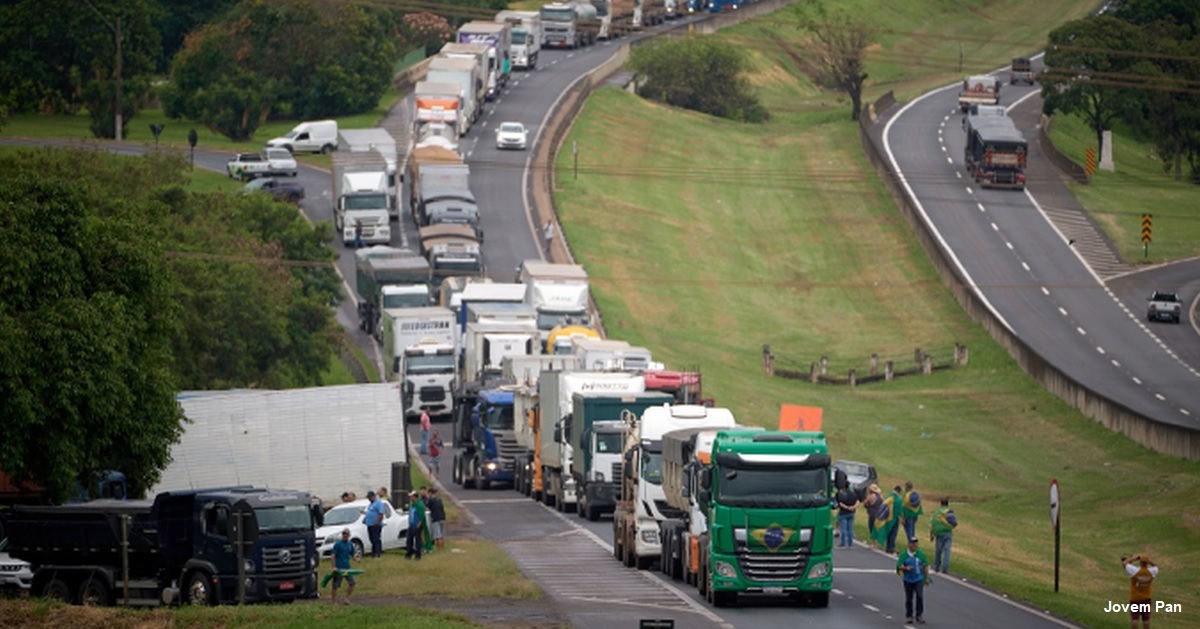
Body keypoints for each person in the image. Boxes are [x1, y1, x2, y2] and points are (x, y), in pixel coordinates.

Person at [896, 536, 931, 624]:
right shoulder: (904, 554)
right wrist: (906, 568)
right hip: (908, 579)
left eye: (915, 543)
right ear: (909, 544)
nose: (914, 545)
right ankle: (909, 615)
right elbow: (899, 565)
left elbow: (925, 566)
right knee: (909, 598)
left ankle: (919, 615)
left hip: (918, 579)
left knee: (919, 596)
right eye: (912, 543)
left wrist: (927, 578)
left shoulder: (920, 554)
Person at [1123, 555, 1158, 629]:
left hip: (1135, 597)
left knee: (1135, 618)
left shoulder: (1135, 571)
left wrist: (1134, 559)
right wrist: (1149, 561)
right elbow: (1156, 566)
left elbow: (1125, 563)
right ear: (1147, 563)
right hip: (1146, 597)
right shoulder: (1152, 572)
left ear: (1140, 562)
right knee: (1146, 619)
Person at [329, 528, 359, 605]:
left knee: (352, 583)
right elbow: (332, 556)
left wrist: (356, 559)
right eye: (344, 534)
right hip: (339, 568)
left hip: (347, 568)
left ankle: (346, 599)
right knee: (336, 585)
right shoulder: (338, 544)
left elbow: (352, 554)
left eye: (346, 534)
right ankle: (334, 602)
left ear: (349, 535)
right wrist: (334, 567)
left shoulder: (350, 544)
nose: (345, 535)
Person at [930, 497, 958, 573]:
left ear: (941, 504)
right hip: (947, 533)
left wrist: (931, 535)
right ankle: (945, 568)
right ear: (947, 504)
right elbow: (954, 523)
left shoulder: (936, 513)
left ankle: (936, 566)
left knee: (938, 551)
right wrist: (950, 527)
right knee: (947, 551)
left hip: (938, 534)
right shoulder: (948, 512)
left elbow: (932, 524)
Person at [836, 480, 860, 548]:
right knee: (850, 528)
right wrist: (853, 507)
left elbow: (840, 503)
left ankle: (843, 543)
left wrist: (846, 507)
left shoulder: (841, 494)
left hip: (843, 513)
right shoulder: (853, 494)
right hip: (851, 513)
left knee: (843, 528)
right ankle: (850, 543)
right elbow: (858, 502)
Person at [363, 490, 386, 558]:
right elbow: (369, 513)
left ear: (373, 497)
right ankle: (373, 553)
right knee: (372, 539)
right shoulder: (370, 504)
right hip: (369, 524)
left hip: (376, 524)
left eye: (369, 497)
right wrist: (365, 519)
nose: (369, 499)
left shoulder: (378, 503)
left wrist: (377, 522)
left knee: (376, 539)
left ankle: (378, 553)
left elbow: (381, 514)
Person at [406, 490, 427, 560]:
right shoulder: (412, 505)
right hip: (411, 525)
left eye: (411, 497)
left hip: (416, 525)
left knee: (418, 540)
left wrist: (419, 524)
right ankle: (409, 553)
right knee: (409, 540)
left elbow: (422, 516)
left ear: (415, 497)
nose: (410, 498)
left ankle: (418, 555)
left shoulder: (419, 505)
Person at [885, 484, 904, 554]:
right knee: (893, 534)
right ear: (899, 491)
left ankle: (887, 547)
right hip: (895, 518)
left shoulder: (888, 496)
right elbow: (900, 511)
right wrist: (902, 518)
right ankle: (891, 548)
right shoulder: (899, 499)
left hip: (887, 517)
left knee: (888, 533)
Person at [426, 487, 447, 552]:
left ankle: (440, 550)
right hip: (442, 518)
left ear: (430, 493)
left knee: (438, 536)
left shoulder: (431, 500)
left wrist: (428, 498)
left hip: (435, 519)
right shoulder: (439, 500)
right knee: (442, 535)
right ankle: (442, 549)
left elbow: (426, 506)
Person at [864, 484, 883, 549]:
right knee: (876, 528)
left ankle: (874, 543)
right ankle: (876, 542)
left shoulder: (871, 496)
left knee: (871, 527)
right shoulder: (880, 497)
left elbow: (865, 503)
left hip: (872, 513)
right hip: (878, 513)